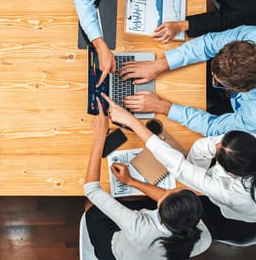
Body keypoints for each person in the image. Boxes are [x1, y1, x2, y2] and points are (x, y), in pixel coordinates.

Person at [101, 93, 256, 242]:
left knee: (178, 211)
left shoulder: (230, 192)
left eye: (219, 150)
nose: (217, 144)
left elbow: (180, 168)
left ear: (232, 173)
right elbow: (206, 146)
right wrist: (196, 163)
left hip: (239, 222)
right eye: (223, 140)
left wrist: (133, 122)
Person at [118, 26, 256, 139]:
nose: (213, 79)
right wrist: (160, 64)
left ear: (241, 90)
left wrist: (163, 107)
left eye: (219, 81)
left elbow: (212, 127)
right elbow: (208, 44)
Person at [84, 98, 211, 260]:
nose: (166, 191)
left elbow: (91, 190)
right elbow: (167, 201)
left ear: (161, 211)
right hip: (142, 245)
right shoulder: (203, 239)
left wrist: (99, 138)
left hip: (114, 251)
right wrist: (131, 182)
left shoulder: (139, 227)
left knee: (91, 207)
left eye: (166, 193)